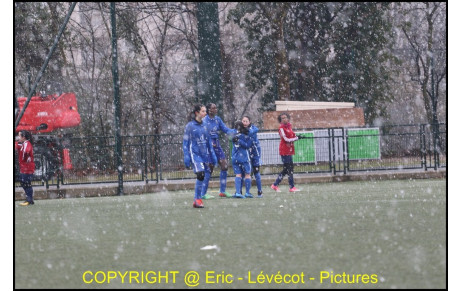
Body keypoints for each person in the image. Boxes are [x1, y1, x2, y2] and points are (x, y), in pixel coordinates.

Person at [183, 104, 217, 208]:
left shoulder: (205, 125)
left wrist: (212, 154)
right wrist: (186, 155)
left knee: (204, 175)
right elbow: (185, 143)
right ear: (197, 113)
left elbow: (208, 142)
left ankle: (197, 200)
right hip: (195, 154)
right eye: (203, 111)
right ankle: (197, 199)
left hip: (204, 155)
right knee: (200, 174)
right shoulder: (190, 126)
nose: (205, 113)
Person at [201, 103, 237, 199]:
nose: (216, 109)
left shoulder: (217, 119)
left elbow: (226, 129)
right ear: (209, 110)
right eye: (213, 108)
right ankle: (203, 193)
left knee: (224, 166)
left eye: (216, 107)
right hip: (208, 145)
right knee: (209, 168)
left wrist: (236, 131)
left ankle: (222, 191)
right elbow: (201, 134)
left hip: (216, 144)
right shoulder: (204, 121)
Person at [271, 113, 301, 193]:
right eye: (282, 118)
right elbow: (286, 139)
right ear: (280, 120)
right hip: (284, 150)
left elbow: (292, 136)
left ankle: (276, 185)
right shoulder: (281, 128)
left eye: (285, 117)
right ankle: (290, 186)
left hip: (289, 150)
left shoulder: (289, 126)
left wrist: (297, 136)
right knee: (288, 169)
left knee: (288, 169)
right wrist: (296, 138)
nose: (284, 119)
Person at [241, 116, 263, 198]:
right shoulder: (240, 129)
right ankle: (242, 191)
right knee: (245, 172)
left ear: (249, 122)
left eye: (246, 121)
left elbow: (255, 130)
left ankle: (260, 191)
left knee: (256, 171)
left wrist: (247, 131)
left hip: (255, 152)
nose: (245, 123)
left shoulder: (253, 128)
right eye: (243, 121)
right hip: (246, 152)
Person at [231, 121, 254, 198]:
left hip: (235, 157)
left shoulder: (234, 135)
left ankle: (238, 192)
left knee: (238, 174)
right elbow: (247, 145)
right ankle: (247, 192)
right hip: (244, 157)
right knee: (247, 174)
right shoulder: (245, 136)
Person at [15, 130, 36, 206]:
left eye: (19, 135)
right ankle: (29, 199)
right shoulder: (24, 143)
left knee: (26, 183)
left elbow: (26, 151)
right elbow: (18, 146)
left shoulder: (27, 144)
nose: (18, 137)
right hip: (25, 167)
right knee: (24, 183)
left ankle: (29, 200)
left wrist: (24, 159)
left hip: (27, 168)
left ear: (23, 137)